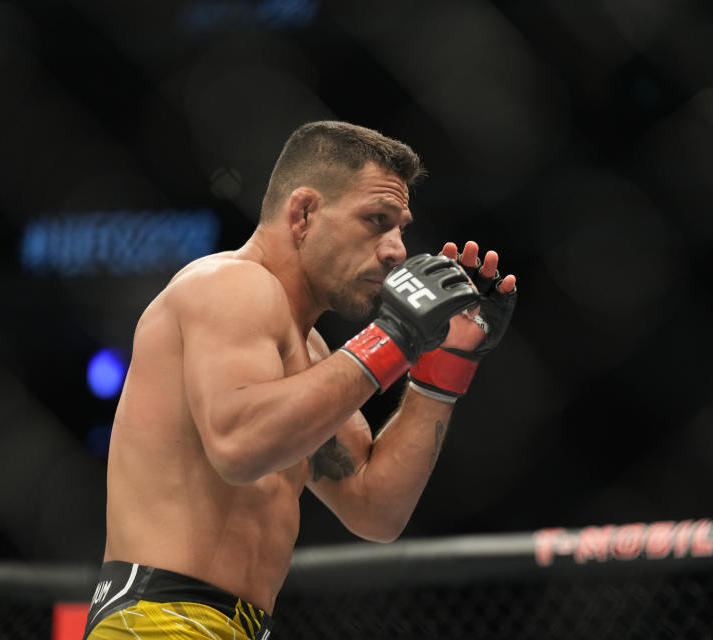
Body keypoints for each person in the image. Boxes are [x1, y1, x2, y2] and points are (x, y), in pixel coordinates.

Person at [82, 121, 517, 639]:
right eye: (376, 220)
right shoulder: (229, 285)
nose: (396, 249)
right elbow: (239, 444)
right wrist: (395, 336)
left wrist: (442, 366)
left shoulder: (309, 352)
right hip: (158, 621)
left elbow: (375, 509)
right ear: (303, 212)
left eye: (400, 227)